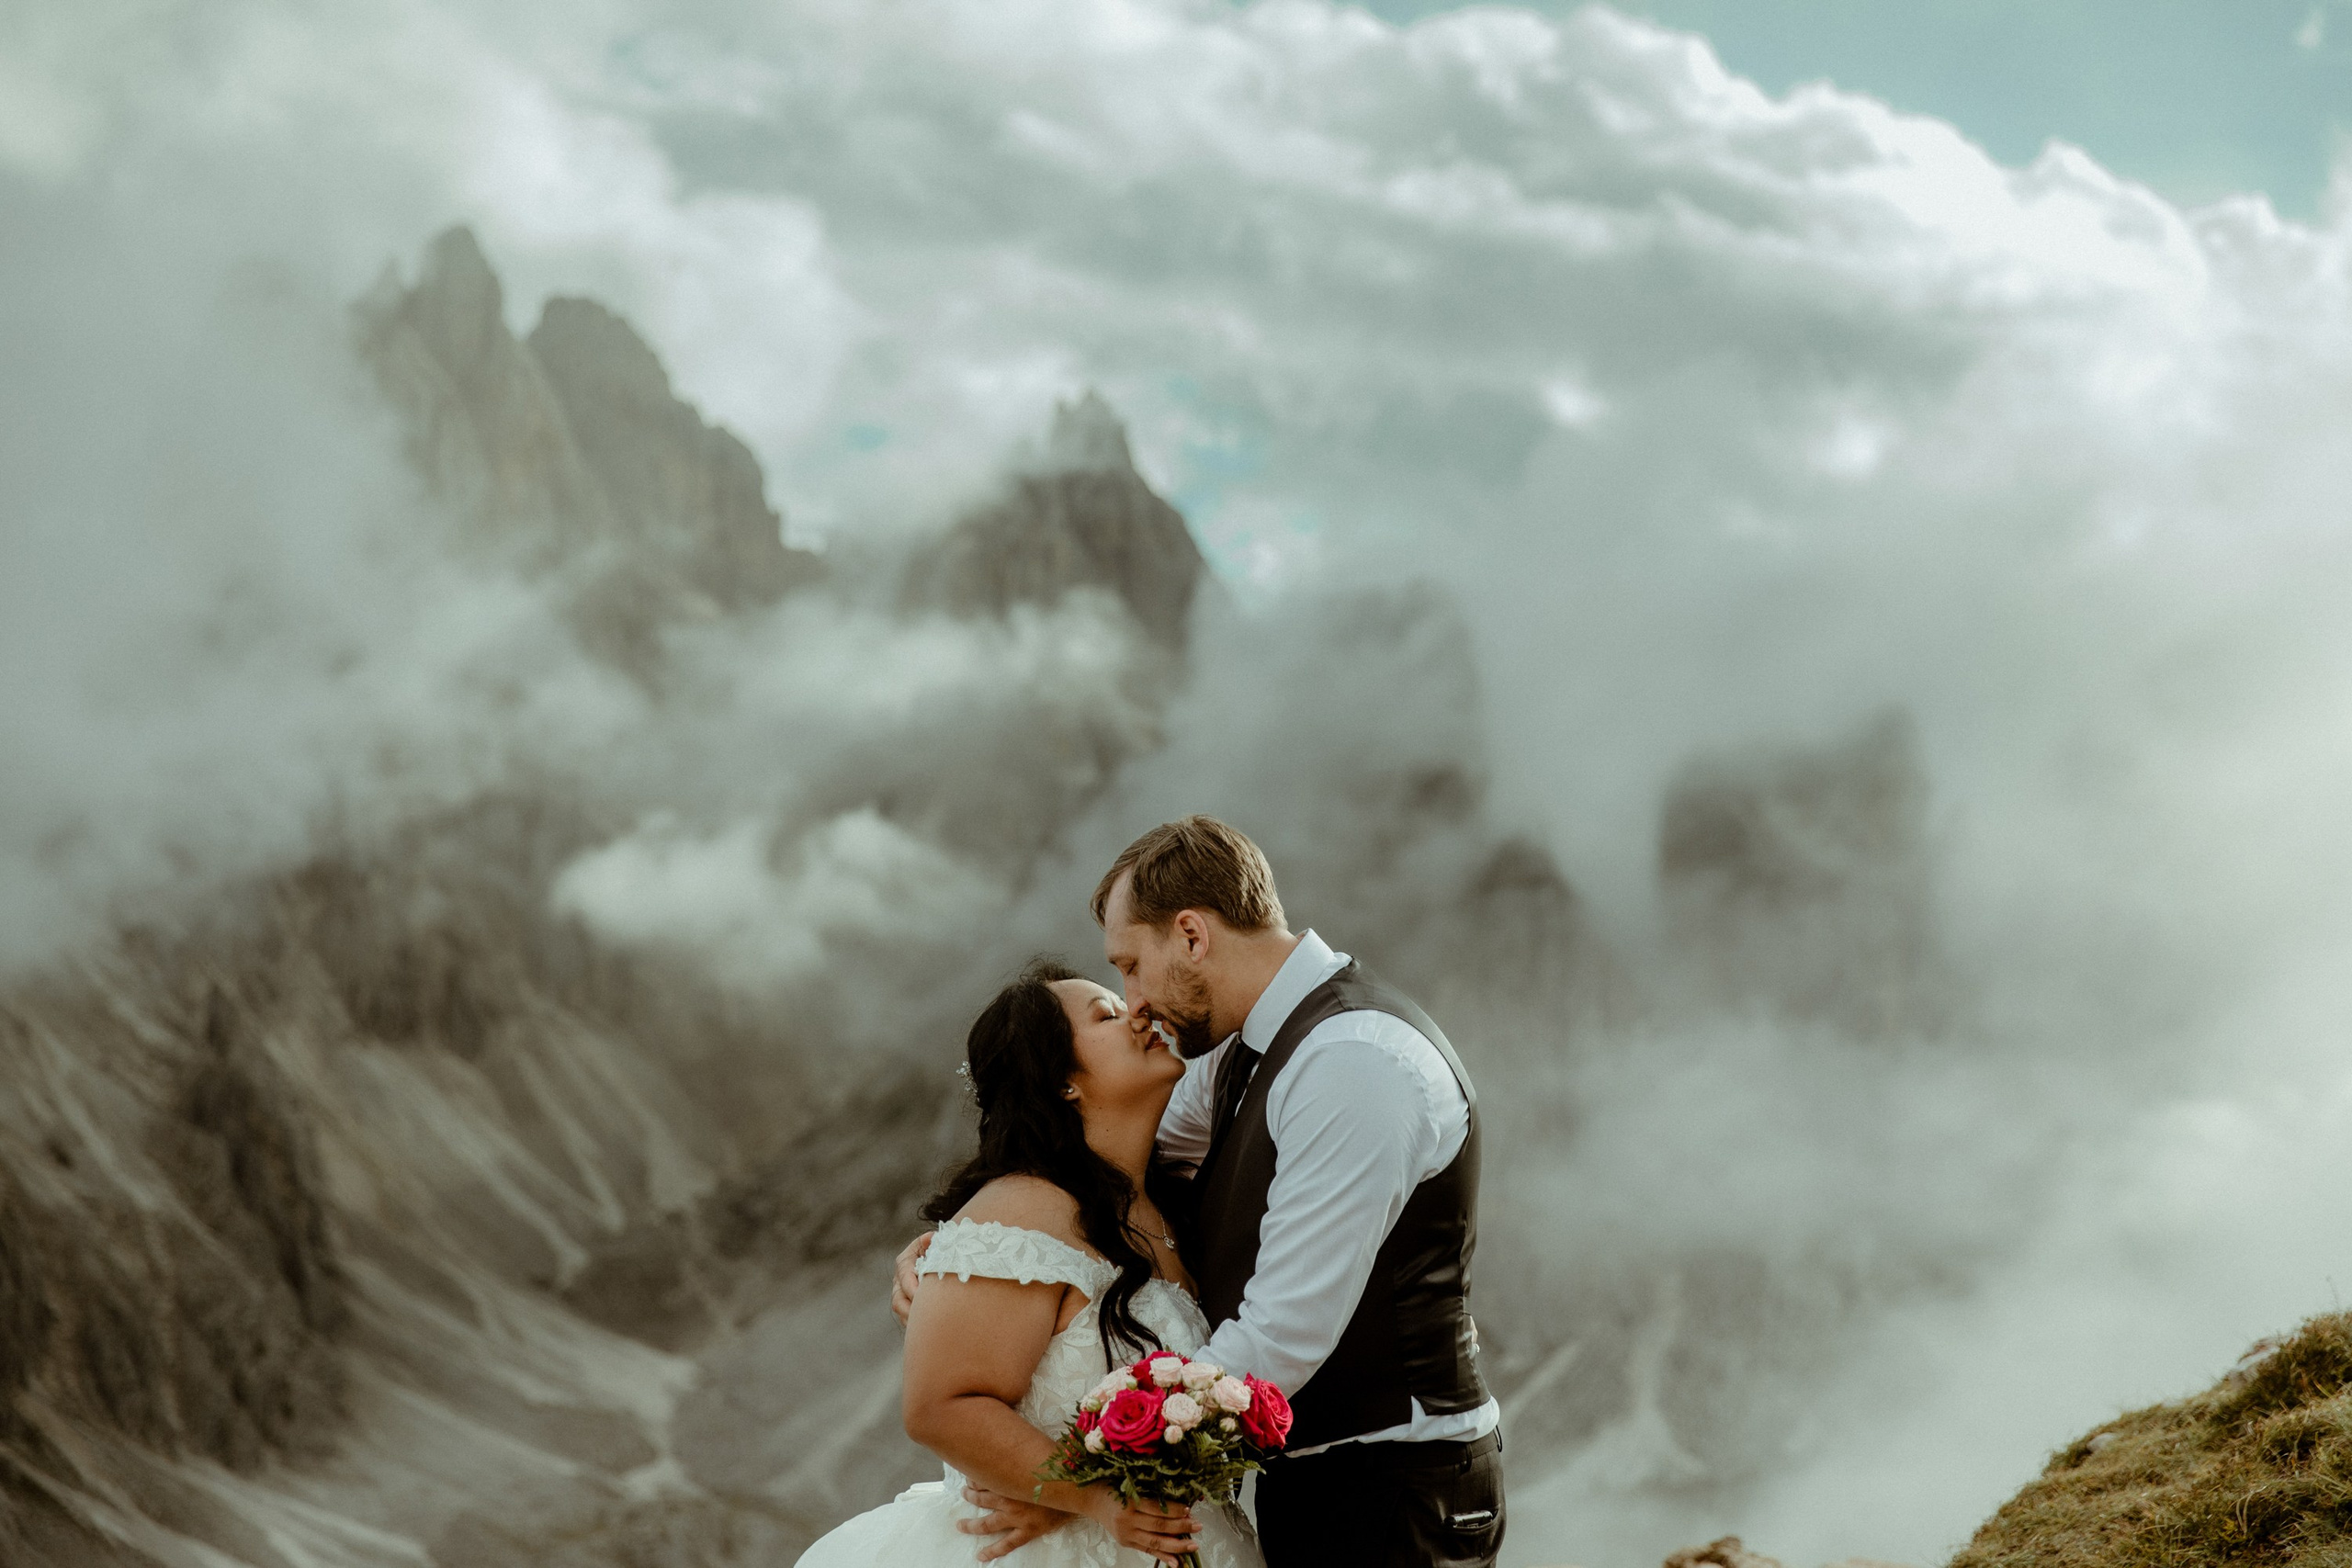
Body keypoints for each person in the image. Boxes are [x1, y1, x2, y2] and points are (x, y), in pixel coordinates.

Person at [893, 817, 1505, 1568]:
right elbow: (1094, 1156)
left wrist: (1085, 1485)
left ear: (1190, 935)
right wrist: (959, 1257)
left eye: (1130, 966)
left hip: (1395, 1489)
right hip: (1317, 1487)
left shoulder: (1352, 1063)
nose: (1136, 1001)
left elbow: (1281, 1336)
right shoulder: (1233, 1054)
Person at [797, 959, 1264, 1568]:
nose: (1139, 1014)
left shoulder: (1167, 1202)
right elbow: (941, 1407)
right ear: (1063, 1082)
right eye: (1107, 1015)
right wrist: (1093, 1499)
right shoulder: (1019, 1212)